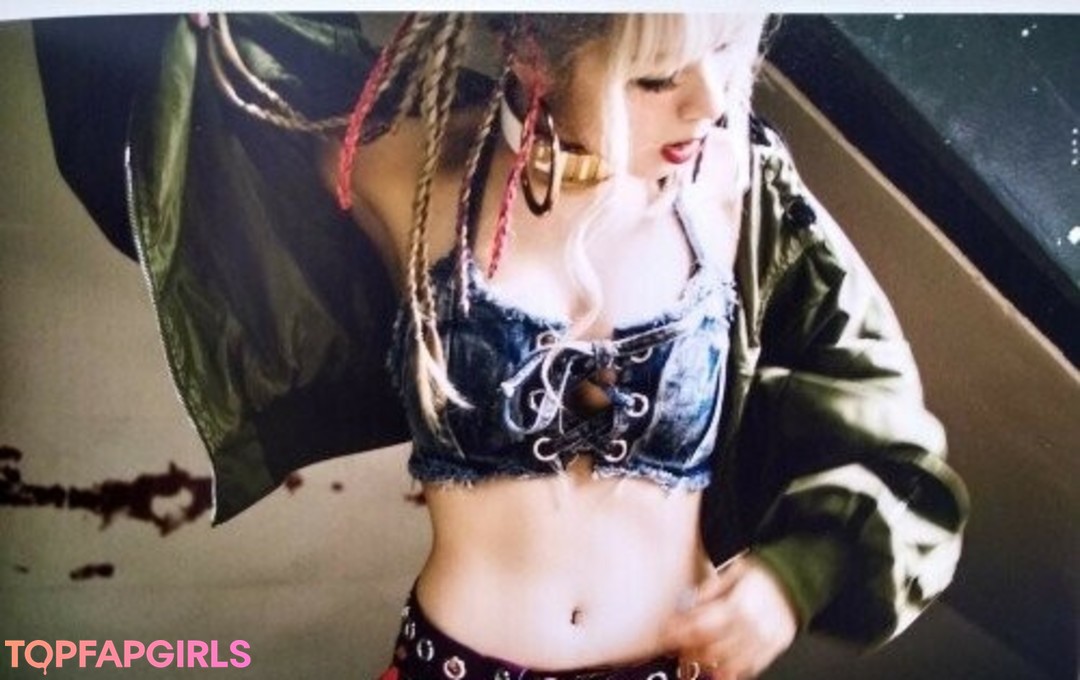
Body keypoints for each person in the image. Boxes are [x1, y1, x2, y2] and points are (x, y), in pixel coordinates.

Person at [35, 12, 969, 680]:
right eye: (655, 77)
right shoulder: (405, 166)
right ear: (534, 55)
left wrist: (791, 579)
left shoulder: (741, 187)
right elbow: (180, 136)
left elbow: (894, 437)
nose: (707, 102)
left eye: (727, 50)